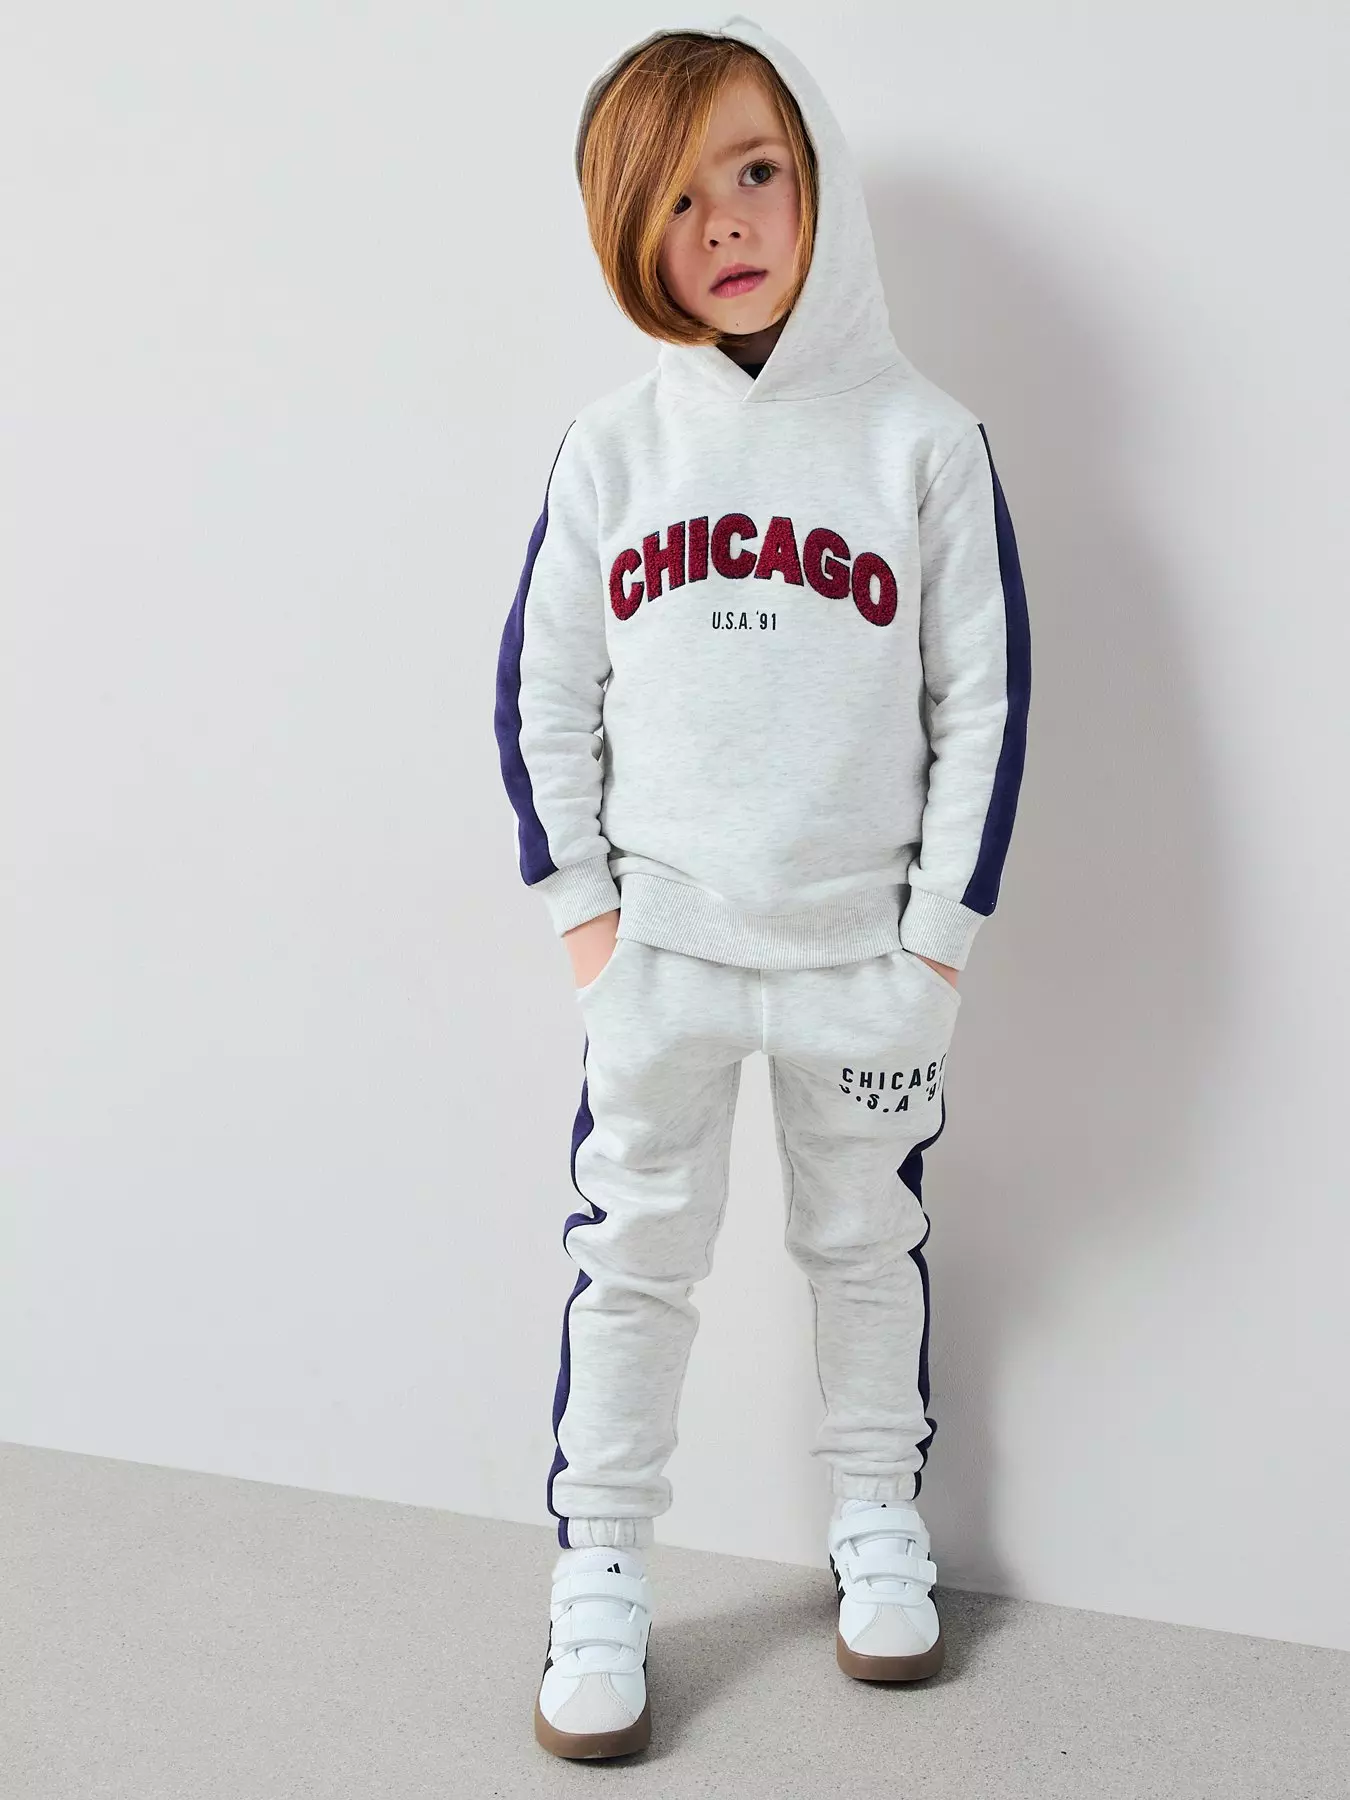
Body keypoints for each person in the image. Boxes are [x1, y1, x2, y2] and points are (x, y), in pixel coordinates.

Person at [494, 13, 1031, 1761]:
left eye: (756, 171)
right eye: (677, 195)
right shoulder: (611, 448)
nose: (723, 219)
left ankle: (876, 1517)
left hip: (858, 958)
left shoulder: (923, 443)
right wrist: (589, 923)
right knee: (633, 1264)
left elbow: (983, 705)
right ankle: (599, 1567)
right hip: (660, 953)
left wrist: (932, 953)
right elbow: (541, 692)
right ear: (626, 230)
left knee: (865, 1248)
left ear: (820, 185)